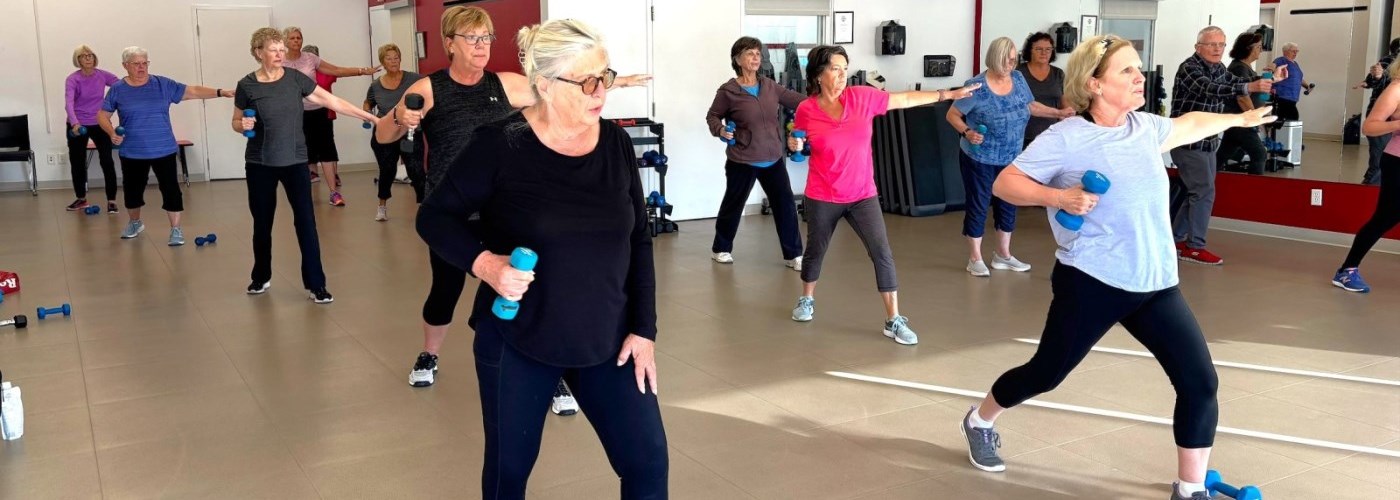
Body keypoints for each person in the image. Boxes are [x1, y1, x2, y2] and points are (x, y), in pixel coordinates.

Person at [957, 35, 1276, 500]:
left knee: (1200, 382)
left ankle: (1190, 489)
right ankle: (979, 418)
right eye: (1127, 71)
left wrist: (1242, 118)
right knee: (1046, 373)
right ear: (1095, 84)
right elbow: (1007, 183)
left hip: (1155, 281)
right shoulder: (1067, 138)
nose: (1139, 77)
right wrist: (1058, 197)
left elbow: (1190, 123)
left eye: (1138, 69)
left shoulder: (1144, 127)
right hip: (1092, 280)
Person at [416, 18, 668, 498]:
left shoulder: (614, 143)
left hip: (609, 337)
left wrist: (645, 329)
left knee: (647, 465)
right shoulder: (499, 144)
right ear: (547, 85)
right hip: (519, 340)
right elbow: (435, 218)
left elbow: (638, 238)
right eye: (588, 80)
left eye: (606, 76)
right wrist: (487, 265)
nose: (602, 91)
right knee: (509, 474)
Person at [375, 5, 647, 398]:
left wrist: (614, 82)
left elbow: (562, 86)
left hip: (502, 211)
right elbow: (384, 137)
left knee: (532, 287)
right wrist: (400, 116)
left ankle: (548, 368)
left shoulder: (507, 84)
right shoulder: (427, 88)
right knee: (445, 290)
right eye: (472, 38)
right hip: (453, 210)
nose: (482, 45)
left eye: (486, 37)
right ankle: (429, 353)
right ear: (450, 44)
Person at [787, 44, 976, 345]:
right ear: (819, 74)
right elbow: (800, 142)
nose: (841, 75)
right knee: (815, 251)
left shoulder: (862, 98)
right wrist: (795, 146)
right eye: (835, 69)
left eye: (844, 69)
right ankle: (807, 299)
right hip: (823, 194)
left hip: (863, 194)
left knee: (882, 252)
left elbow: (903, 99)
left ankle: (893, 319)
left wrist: (946, 95)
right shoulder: (806, 110)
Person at [234, 27, 380, 304]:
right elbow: (236, 121)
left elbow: (331, 100)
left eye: (281, 49)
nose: (280, 54)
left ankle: (316, 284)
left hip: (295, 162)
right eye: (273, 50)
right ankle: (260, 275)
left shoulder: (295, 79)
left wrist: (372, 118)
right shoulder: (247, 85)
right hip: (259, 163)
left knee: (306, 223)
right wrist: (242, 125)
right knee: (262, 223)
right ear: (258, 53)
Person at [947, 36, 1070, 277]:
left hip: (1012, 157)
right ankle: (975, 258)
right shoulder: (976, 87)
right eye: (1006, 61)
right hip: (979, 158)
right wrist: (967, 132)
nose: (1010, 66)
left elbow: (1030, 106)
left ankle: (1002, 255)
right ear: (994, 59)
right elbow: (952, 115)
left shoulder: (1018, 78)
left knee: (1009, 204)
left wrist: (1058, 113)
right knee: (979, 205)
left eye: (1014, 60)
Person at [98, 46, 233, 245]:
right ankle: (135, 222)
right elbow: (102, 115)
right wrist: (111, 133)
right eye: (136, 64)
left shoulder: (162, 84)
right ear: (125, 66)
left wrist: (221, 92)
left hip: (164, 149)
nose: (142, 67)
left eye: (145, 63)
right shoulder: (118, 89)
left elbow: (193, 91)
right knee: (132, 191)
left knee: (171, 190)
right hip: (133, 151)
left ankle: (176, 229)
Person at [1169, 26, 1280, 266]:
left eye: (1221, 44)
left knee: (1197, 191)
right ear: (1198, 47)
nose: (1217, 49)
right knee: (1203, 192)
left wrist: (1266, 79)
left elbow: (1236, 80)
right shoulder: (1190, 67)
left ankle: (1176, 241)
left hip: (1209, 141)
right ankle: (1194, 247)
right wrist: (1250, 87)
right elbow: (1211, 89)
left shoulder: (1219, 68)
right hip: (1187, 141)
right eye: (1211, 44)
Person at [704, 36, 806, 270]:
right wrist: (720, 129)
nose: (755, 57)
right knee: (734, 203)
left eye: (758, 54)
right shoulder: (728, 91)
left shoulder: (770, 86)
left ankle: (793, 255)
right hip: (743, 158)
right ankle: (721, 248)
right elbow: (712, 116)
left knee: (785, 205)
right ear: (737, 59)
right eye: (750, 53)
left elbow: (798, 101)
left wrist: (824, 102)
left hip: (772, 158)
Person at [282, 27, 380, 206]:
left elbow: (335, 70)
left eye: (299, 38)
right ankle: (303, 193)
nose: (296, 41)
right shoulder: (280, 61)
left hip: (319, 110)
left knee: (326, 151)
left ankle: (334, 192)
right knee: (302, 153)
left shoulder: (310, 58)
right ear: (285, 41)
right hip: (297, 113)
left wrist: (362, 70)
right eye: (293, 38)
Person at [1333, 57, 1400, 293]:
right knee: (1385, 218)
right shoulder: (1396, 89)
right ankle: (1347, 270)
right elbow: (1370, 126)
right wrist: (1398, 124)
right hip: (1397, 162)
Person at [363, 43, 424, 221]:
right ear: (383, 61)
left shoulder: (414, 79)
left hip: (410, 131)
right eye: (389, 58)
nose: (393, 61)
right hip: (386, 132)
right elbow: (369, 102)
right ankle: (382, 206)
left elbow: (429, 94)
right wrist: (366, 112)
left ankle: (424, 207)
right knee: (387, 170)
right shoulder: (376, 85)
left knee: (416, 170)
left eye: (396, 57)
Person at [63, 44, 119, 213]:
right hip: (77, 125)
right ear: (78, 60)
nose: (88, 58)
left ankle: (111, 201)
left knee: (107, 160)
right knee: (77, 162)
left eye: (90, 55)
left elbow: (119, 85)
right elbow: (69, 103)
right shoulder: (73, 79)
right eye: (84, 56)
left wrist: (110, 105)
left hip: (99, 122)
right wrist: (75, 124)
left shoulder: (102, 75)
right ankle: (81, 199)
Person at [1216, 32, 1269, 175]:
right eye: (1258, 47)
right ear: (1248, 48)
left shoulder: (1245, 67)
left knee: (1222, 155)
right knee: (1259, 154)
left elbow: (1254, 85)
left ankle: (1208, 178)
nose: (1261, 50)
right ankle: (1254, 190)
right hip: (1241, 120)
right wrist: (1255, 118)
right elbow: (1242, 97)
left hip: (1237, 121)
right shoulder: (1239, 68)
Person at [1353, 37, 1399, 186]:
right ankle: (1369, 190)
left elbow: (1371, 81)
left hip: (1387, 121)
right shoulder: (1388, 62)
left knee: (1378, 161)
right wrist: (1376, 77)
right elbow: (1374, 80)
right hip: (1383, 119)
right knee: (1377, 161)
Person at [1016, 32, 1074, 147]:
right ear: (1030, 50)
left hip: (1051, 136)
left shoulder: (1058, 73)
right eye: (1038, 49)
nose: (1044, 53)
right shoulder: (1018, 73)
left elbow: (1065, 104)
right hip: (1023, 136)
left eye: (1048, 49)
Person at [1271, 42, 1313, 122]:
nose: (1295, 53)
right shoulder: (1281, 60)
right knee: (1290, 119)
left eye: (1297, 51)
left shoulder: (1295, 64)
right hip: (1282, 97)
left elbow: (1298, 78)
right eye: (1293, 51)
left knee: (1291, 120)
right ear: (1285, 51)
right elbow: (1272, 67)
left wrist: (1307, 87)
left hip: (1292, 99)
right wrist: (1270, 70)